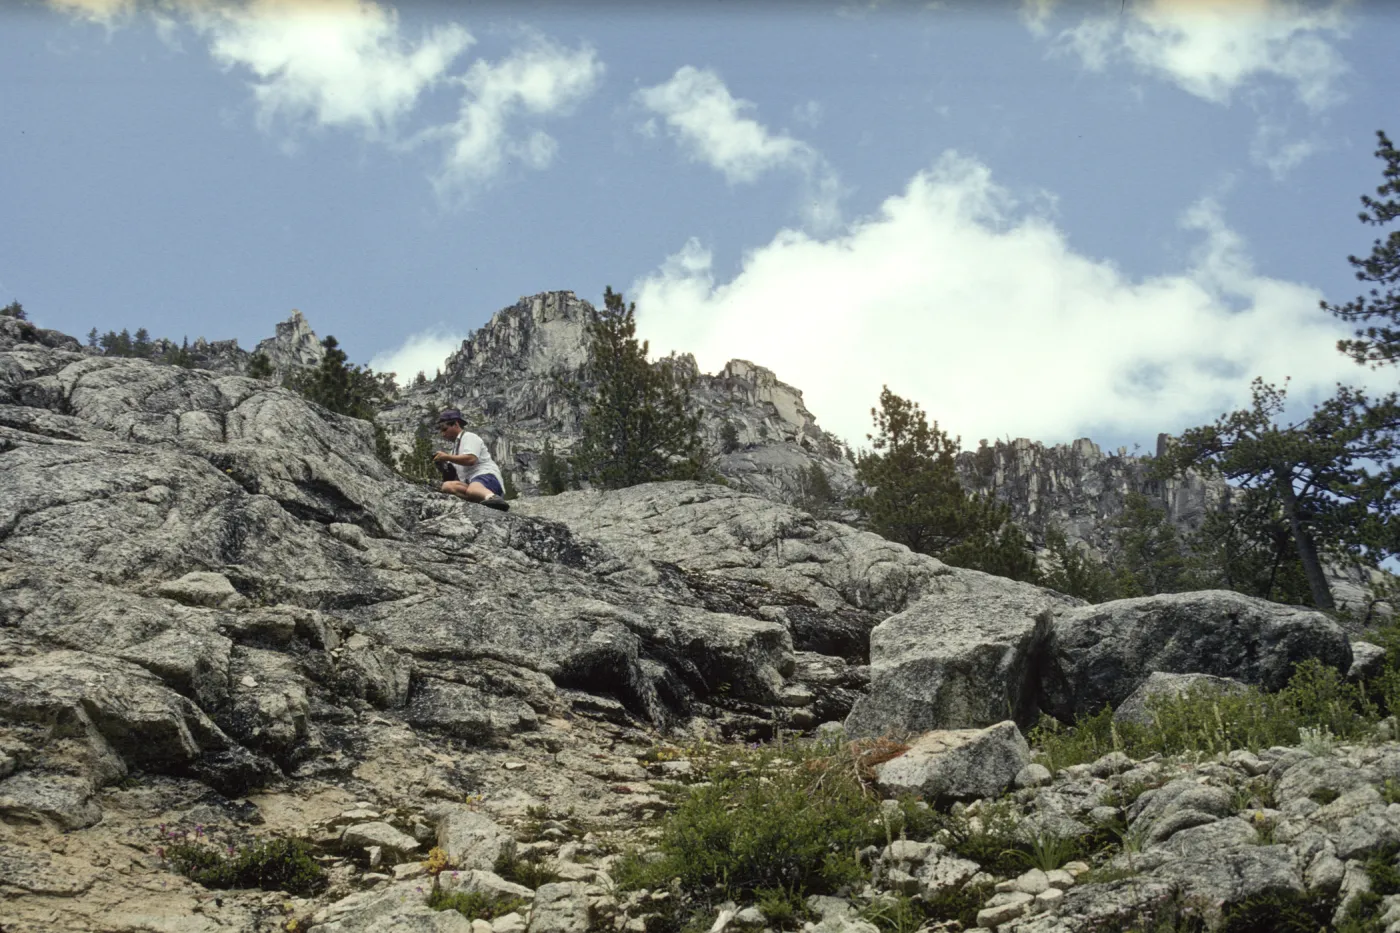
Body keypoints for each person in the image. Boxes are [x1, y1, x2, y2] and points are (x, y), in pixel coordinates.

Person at [432, 409, 510, 512]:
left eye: (445, 429)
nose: (443, 434)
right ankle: (481, 500)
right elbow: (452, 475)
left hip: (486, 476)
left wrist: (446, 457)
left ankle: (493, 498)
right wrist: (442, 466)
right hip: (470, 483)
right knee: (447, 487)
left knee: (472, 489)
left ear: (455, 424)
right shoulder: (455, 449)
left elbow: (470, 459)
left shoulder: (469, 437)